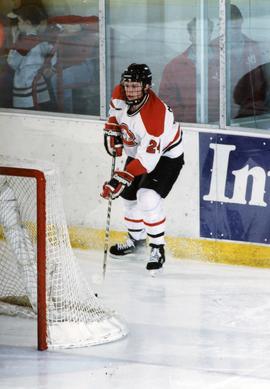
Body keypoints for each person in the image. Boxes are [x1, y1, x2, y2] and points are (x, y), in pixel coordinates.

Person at [100, 63, 185, 272]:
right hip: (139, 152)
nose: (129, 90)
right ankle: (135, 240)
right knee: (128, 198)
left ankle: (157, 247)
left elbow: (147, 162)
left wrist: (119, 178)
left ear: (147, 86)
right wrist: (113, 128)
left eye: (135, 86)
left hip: (165, 156)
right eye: (127, 85)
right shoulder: (120, 92)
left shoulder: (155, 117)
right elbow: (115, 112)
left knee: (147, 197)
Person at [159, 17, 219, 123]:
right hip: (188, 129)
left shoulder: (223, 63)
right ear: (190, 36)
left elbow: (232, 96)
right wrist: (186, 122)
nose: (201, 36)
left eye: (205, 31)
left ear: (210, 35)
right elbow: (166, 101)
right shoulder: (174, 66)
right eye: (197, 32)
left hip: (219, 127)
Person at [7, 4, 55, 110]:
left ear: (27, 23)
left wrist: (14, 40)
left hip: (26, 83)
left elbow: (12, 62)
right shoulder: (41, 39)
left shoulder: (26, 42)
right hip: (38, 81)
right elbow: (51, 53)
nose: (18, 24)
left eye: (19, 21)